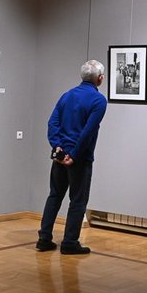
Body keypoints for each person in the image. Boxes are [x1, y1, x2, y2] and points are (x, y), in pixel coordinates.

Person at [36, 59, 108, 255]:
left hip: (60, 156)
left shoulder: (67, 96)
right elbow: (88, 131)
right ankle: (69, 242)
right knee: (77, 201)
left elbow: (53, 123)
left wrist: (57, 147)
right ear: (100, 79)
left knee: (54, 196)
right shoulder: (99, 101)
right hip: (80, 159)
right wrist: (74, 156)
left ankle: (44, 238)